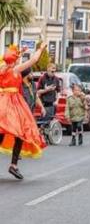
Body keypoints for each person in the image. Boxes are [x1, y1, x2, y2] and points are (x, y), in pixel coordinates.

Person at [0, 43, 47, 179]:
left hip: (2, 101)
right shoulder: (15, 70)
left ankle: (14, 165)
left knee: (2, 132)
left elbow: (12, 61)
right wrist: (40, 49)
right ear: (14, 60)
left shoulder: (2, 69)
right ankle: (13, 165)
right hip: (13, 103)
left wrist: (19, 52)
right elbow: (33, 60)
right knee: (20, 133)